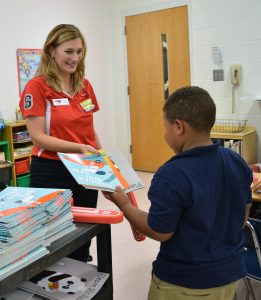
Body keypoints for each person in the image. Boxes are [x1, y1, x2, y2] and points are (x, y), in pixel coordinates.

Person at [103, 86, 253, 300]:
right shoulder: (236, 161)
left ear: (179, 127)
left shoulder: (171, 174)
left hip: (184, 284)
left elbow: (160, 230)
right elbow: (244, 211)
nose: (165, 134)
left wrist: (124, 205)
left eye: (165, 128)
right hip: (230, 276)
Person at [19, 24, 101, 262]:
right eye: (69, 51)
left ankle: (81, 274)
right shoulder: (37, 86)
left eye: (79, 51)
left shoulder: (85, 85)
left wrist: (102, 158)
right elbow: (38, 137)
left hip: (85, 167)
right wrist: (79, 148)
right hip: (51, 169)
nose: (75, 58)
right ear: (51, 50)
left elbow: (89, 129)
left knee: (86, 228)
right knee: (52, 234)